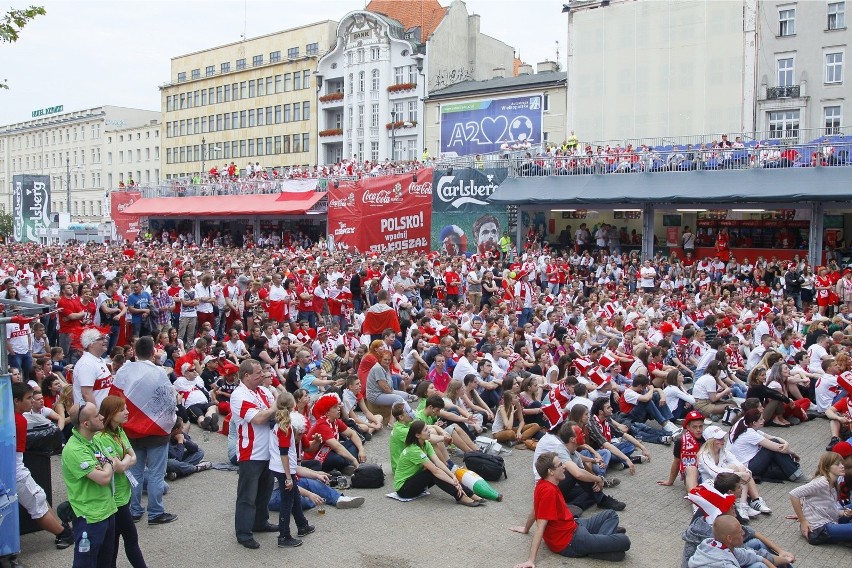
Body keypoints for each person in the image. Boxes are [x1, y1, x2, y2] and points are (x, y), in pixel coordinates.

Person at [513, 451, 631, 565]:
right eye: (560, 465)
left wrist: (526, 529)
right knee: (624, 541)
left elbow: (535, 510)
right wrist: (531, 560)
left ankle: (599, 544)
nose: (564, 466)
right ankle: (599, 544)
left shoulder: (542, 483)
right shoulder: (548, 492)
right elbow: (540, 526)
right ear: (551, 472)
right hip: (570, 541)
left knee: (611, 514)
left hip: (574, 525)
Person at [117, 336, 178, 525]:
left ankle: (134, 510)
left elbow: (115, 398)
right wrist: (171, 423)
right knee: (155, 474)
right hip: (156, 433)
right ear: (153, 352)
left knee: (134, 472)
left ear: (134, 351)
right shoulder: (158, 373)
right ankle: (155, 512)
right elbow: (169, 401)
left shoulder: (124, 371)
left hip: (131, 432)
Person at [12, 382, 74, 550]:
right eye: (28, 398)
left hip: (16, 469)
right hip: (14, 471)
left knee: (38, 498)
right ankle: (63, 532)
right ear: (16, 401)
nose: (32, 401)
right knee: (37, 501)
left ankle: (63, 531)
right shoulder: (16, 420)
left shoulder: (16, 419)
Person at [62, 400, 119, 568]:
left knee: (106, 562)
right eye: (97, 415)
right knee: (85, 564)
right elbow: (104, 478)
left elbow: (114, 461)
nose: (102, 417)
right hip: (90, 516)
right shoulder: (74, 450)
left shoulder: (96, 439)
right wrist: (108, 464)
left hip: (108, 510)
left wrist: (107, 465)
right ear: (86, 423)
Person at [231, 358, 277, 549]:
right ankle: (243, 533)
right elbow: (258, 418)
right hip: (250, 453)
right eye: (258, 373)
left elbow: (274, 414)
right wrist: (276, 406)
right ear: (246, 375)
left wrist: (273, 409)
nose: (263, 376)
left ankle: (260, 522)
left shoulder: (264, 391)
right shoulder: (238, 395)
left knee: (264, 492)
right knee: (247, 496)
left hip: (268, 450)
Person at [96, 395, 147, 568]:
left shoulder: (119, 431)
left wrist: (124, 461)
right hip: (114, 498)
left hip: (124, 493)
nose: (127, 412)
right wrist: (125, 461)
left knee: (114, 541)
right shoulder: (102, 438)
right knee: (131, 538)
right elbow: (117, 466)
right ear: (111, 413)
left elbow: (133, 456)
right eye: (122, 410)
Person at [393, 420, 484, 506]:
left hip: (414, 481)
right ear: (417, 435)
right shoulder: (413, 450)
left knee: (437, 470)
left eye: (427, 428)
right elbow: (435, 470)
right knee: (432, 472)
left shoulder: (426, 444)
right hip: (404, 489)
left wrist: (453, 476)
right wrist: (453, 482)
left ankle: (469, 493)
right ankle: (460, 496)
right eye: (426, 430)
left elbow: (438, 462)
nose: (429, 431)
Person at [269, 391, 314, 548]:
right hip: (283, 469)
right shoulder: (285, 426)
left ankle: (302, 525)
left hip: (281, 467)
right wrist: (289, 476)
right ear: (292, 405)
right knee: (287, 503)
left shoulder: (280, 423)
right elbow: (284, 454)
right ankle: (284, 536)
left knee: (294, 496)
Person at [789, 451, 852, 545]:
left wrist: (843, 513)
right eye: (837, 464)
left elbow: (828, 508)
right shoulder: (822, 482)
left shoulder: (833, 483)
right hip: (819, 530)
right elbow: (793, 494)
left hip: (831, 521)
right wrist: (803, 521)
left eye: (842, 463)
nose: (842, 466)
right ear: (827, 467)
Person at [728, 408, 802, 482]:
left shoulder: (750, 428)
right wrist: (793, 453)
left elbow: (773, 437)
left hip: (752, 461)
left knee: (778, 467)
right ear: (754, 422)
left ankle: (793, 471)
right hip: (749, 466)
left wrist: (786, 443)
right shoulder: (750, 434)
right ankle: (795, 474)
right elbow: (777, 447)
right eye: (761, 419)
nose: (763, 420)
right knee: (773, 447)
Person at [72, 328, 113, 407]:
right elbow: (86, 394)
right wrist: (96, 416)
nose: (105, 341)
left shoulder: (99, 360)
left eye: (104, 338)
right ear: (91, 344)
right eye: (100, 339)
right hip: (92, 416)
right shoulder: (86, 364)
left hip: (103, 414)